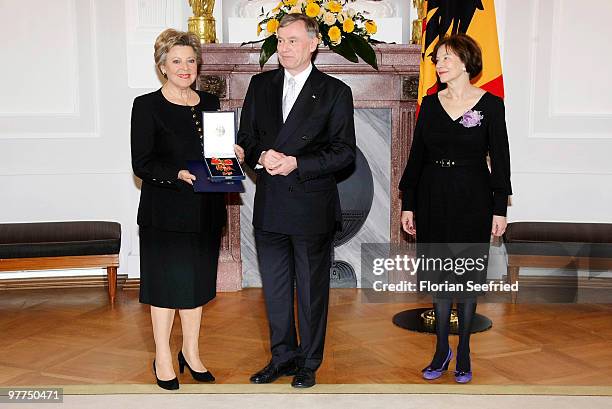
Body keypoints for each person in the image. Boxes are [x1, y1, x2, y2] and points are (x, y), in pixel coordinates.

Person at [235, 13, 356, 388]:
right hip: (270, 205)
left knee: (310, 293)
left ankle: (308, 361)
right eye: (280, 40)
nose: (284, 48)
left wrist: (296, 163)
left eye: (292, 41)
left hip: (310, 208)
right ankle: (282, 357)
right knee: (274, 290)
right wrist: (260, 156)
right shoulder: (260, 85)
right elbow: (247, 136)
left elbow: (344, 154)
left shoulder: (335, 91)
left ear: (313, 43)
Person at [399, 33, 512, 384]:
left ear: (466, 62)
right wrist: (409, 205)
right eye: (437, 59)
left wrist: (499, 209)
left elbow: (502, 162)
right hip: (433, 197)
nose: (438, 64)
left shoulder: (490, 105)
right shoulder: (431, 105)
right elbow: (416, 159)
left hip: (473, 200)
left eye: (446, 58)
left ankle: (463, 350)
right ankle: (440, 350)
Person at [131, 28, 228, 390]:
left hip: (205, 211)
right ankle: (162, 356)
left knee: (197, 286)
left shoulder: (210, 103)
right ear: (162, 66)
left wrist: (232, 156)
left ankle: (191, 351)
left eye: (190, 60)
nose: (185, 67)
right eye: (177, 61)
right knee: (165, 289)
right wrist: (177, 174)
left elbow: (216, 155)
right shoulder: (147, 106)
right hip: (165, 213)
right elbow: (142, 163)